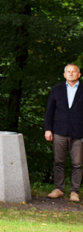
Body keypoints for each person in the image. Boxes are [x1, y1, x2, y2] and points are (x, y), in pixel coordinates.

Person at [44, 63, 83, 202]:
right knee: (58, 161)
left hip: (79, 133)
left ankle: (74, 192)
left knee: (77, 163)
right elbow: (49, 111)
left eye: (74, 72)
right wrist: (47, 129)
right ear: (64, 74)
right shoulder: (56, 90)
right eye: (68, 71)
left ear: (79, 75)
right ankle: (59, 189)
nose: (71, 74)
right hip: (59, 131)